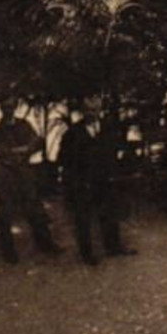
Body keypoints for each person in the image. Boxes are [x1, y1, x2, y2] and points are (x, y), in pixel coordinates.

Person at [59, 101, 133, 266]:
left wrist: (115, 171)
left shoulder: (107, 129)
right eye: (87, 110)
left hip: (104, 179)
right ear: (82, 112)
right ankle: (87, 253)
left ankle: (113, 246)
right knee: (83, 218)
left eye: (94, 110)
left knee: (109, 212)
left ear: (99, 110)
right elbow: (64, 159)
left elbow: (116, 150)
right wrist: (75, 180)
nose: (91, 113)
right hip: (83, 181)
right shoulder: (72, 133)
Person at [0, 97, 59, 265]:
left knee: (35, 207)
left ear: (15, 107)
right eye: (5, 107)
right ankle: (8, 252)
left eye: (11, 106)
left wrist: (24, 150)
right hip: (7, 175)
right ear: (1, 108)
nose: (8, 110)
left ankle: (46, 244)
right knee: (5, 213)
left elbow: (36, 142)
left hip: (25, 172)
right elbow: (3, 154)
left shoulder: (23, 124)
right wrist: (24, 149)